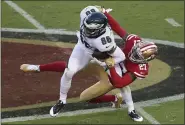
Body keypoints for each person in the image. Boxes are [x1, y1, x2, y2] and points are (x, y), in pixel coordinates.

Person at [21, 6, 126, 117]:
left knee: (106, 87)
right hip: (82, 49)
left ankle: (122, 102)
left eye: (90, 30)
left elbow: (121, 56)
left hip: (101, 57)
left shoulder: (105, 41)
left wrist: (105, 63)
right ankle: (62, 100)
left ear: (100, 30)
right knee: (69, 71)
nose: (86, 30)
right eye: (86, 27)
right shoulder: (86, 13)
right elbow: (94, 8)